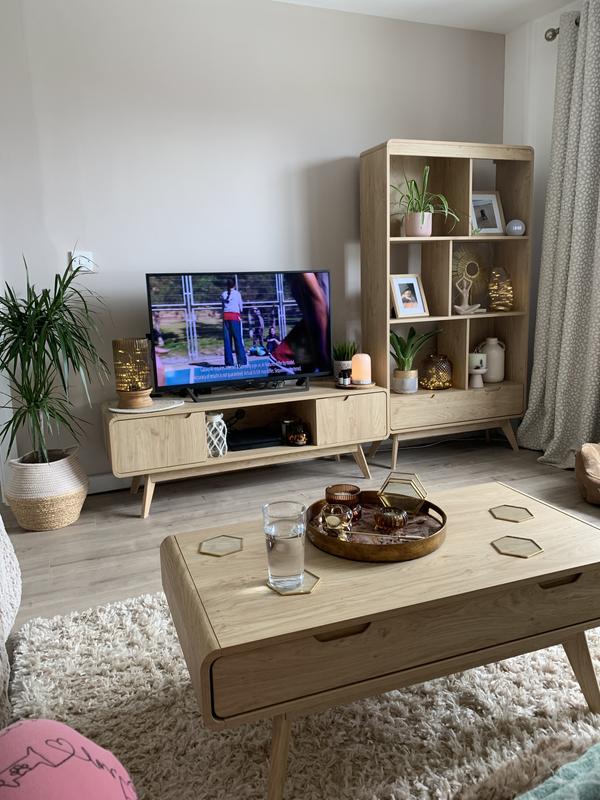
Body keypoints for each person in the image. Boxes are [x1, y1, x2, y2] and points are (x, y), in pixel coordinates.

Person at [220, 278, 247, 367]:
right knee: (238, 339)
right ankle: (242, 361)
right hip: (235, 317)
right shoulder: (237, 294)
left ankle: (229, 362)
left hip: (226, 317)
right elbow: (241, 307)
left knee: (227, 340)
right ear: (234, 285)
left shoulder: (223, 294)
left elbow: (223, 306)